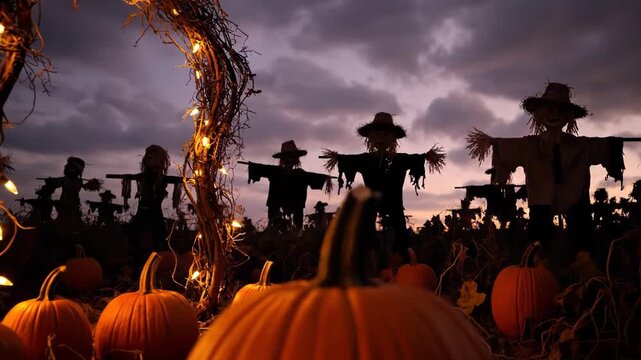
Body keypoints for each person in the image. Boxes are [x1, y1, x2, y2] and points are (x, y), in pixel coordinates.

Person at [467, 82, 624, 257]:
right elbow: (508, 146)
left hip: (576, 199)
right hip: (540, 201)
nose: (554, 113)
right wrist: (493, 142)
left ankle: (583, 266)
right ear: (539, 114)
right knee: (540, 244)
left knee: (581, 241)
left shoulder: (581, 146)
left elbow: (602, 146)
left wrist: (614, 144)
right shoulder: (530, 146)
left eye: (560, 109)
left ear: (569, 116)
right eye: (549, 108)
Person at [322, 112, 446, 260]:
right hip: (371, 204)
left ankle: (402, 261)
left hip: (395, 204)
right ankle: (368, 262)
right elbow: (347, 159)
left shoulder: (400, 160)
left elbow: (418, 157)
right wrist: (337, 157)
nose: (381, 137)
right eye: (378, 133)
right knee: (367, 235)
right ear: (370, 138)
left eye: (386, 134)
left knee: (400, 238)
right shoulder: (365, 159)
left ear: (393, 138)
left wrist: (428, 156)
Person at [246, 140, 332, 231]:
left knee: (297, 224)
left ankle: (293, 233)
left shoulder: (302, 175)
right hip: (276, 202)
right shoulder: (275, 172)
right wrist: (252, 166)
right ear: (283, 159)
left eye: (292, 157)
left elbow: (314, 177)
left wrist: (325, 177)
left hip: (296, 203)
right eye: (288, 157)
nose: (290, 160)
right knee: (273, 222)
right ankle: (274, 229)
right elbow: (261, 168)